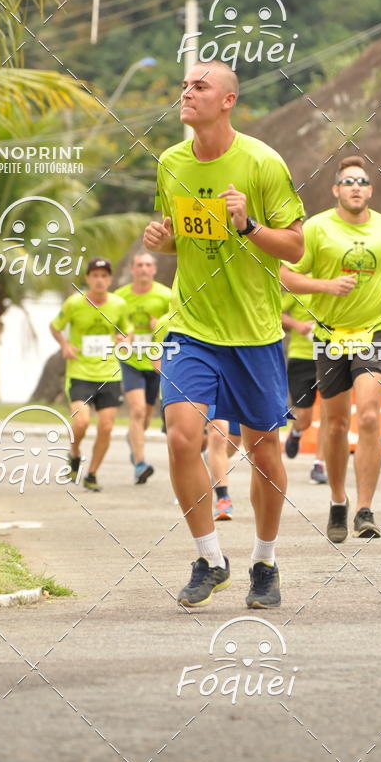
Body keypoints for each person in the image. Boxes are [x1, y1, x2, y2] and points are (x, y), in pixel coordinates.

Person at [143, 59, 304, 609]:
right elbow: (176, 241)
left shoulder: (262, 162)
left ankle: (265, 561)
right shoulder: (170, 163)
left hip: (254, 332)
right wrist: (158, 239)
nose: (186, 92)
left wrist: (249, 226)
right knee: (182, 436)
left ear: (227, 100)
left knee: (264, 451)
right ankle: (210, 558)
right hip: (191, 326)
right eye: (184, 84)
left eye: (199, 86)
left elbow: (295, 247)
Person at [281, 155, 381, 543]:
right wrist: (326, 286)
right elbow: (286, 276)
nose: (355, 187)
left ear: (371, 190)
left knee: (371, 416)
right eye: (348, 182)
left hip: (373, 331)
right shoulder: (317, 227)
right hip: (329, 335)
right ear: (336, 190)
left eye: (362, 181)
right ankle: (338, 501)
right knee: (337, 423)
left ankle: (365, 508)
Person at [50, 257, 132, 492]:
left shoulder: (118, 305)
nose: (99, 280)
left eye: (104, 276)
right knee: (82, 421)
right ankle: (75, 453)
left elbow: (128, 331)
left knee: (106, 427)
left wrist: (125, 340)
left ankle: (92, 473)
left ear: (110, 280)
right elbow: (55, 326)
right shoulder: (74, 304)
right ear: (87, 279)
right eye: (95, 275)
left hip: (109, 374)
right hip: (80, 373)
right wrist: (64, 346)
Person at [115, 250, 171, 484]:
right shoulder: (119, 297)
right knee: (137, 411)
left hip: (156, 362)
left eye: (148, 265)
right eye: (139, 265)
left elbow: (179, 321)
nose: (144, 269)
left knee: (146, 416)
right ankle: (140, 464)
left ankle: (134, 441)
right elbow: (111, 325)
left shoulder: (166, 295)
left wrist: (162, 323)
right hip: (130, 361)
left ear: (154, 269)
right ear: (132, 269)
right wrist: (118, 338)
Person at [281, 291, 328, 484]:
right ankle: (296, 432)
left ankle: (319, 464)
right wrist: (297, 325)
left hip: (331, 356)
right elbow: (275, 312)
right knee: (304, 419)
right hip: (301, 357)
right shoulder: (299, 281)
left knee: (329, 412)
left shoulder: (335, 283)